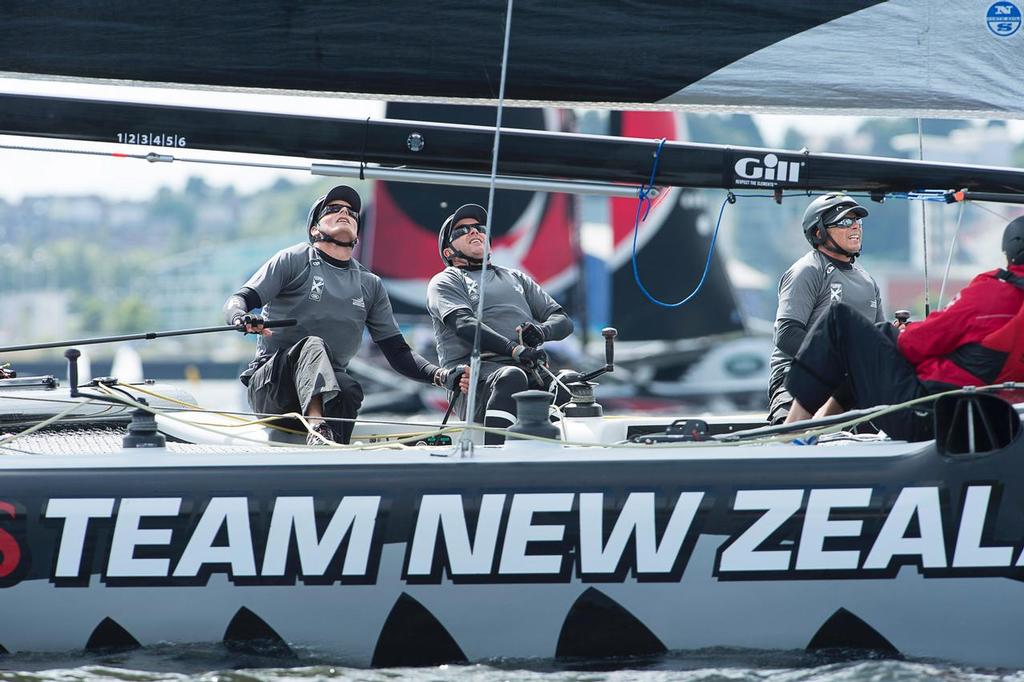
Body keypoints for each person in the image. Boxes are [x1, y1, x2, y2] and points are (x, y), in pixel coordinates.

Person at [223, 185, 468, 445]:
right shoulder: (294, 259)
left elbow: (398, 352)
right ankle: (318, 429)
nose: (345, 212)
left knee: (349, 386)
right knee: (314, 344)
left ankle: (335, 447)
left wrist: (440, 376)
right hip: (272, 389)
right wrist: (242, 318)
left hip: (330, 390)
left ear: (357, 235)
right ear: (314, 229)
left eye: (352, 212)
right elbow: (238, 300)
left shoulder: (369, 284)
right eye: (333, 209)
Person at [783, 216, 1024, 441]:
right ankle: (820, 431)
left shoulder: (994, 294)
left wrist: (893, 333)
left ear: (1010, 250)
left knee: (840, 322)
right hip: (983, 419)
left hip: (926, 411)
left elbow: (913, 345)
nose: (855, 226)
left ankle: (792, 432)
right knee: (868, 342)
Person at [426, 203, 573, 444]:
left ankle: (571, 456)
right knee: (511, 377)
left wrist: (541, 332)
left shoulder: (517, 278)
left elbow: (563, 321)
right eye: (462, 231)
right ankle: (495, 461)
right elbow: (464, 324)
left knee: (571, 383)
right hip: (479, 383)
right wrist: (515, 350)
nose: (474, 232)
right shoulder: (445, 281)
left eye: (479, 227)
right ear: (448, 253)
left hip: (530, 370)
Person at [767, 193, 885, 424]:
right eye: (844, 221)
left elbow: (878, 337)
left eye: (857, 221)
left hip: (851, 383)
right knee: (792, 444)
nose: (855, 227)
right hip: (797, 378)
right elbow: (787, 334)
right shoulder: (808, 270)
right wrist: (839, 363)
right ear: (819, 232)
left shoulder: (868, 281)